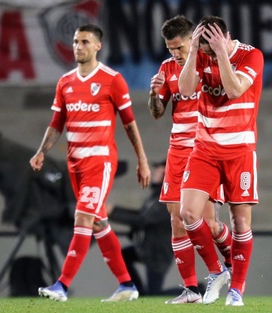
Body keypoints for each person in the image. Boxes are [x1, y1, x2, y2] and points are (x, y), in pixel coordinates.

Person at [29, 24, 151, 302]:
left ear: (98, 46)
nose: (78, 46)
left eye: (84, 41)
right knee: (97, 223)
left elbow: (130, 124)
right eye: (75, 41)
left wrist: (142, 160)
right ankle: (127, 285)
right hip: (75, 164)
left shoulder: (112, 80)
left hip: (100, 161)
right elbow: (56, 124)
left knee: (83, 217)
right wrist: (41, 151)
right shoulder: (65, 82)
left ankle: (61, 285)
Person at [178, 15, 263, 306]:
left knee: (240, 222)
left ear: (226, 37)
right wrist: (192, 53)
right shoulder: (200, 54)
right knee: (188, 214)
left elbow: (235, 89)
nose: (208, 56)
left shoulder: (251, 55)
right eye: (204, 50)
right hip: (205, 149)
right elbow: (186, 90)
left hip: (239, 151)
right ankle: (217, 271)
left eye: (212, 48)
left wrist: (222, 56)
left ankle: (236, 289)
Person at [148, 15, 233, 304]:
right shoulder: (166, 68)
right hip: (177, 150)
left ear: (191, 40)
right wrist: (153, 94)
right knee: (176, 221)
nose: (175, 53)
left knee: (208, 223)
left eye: (180, 47)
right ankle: (192, 290)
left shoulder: (207, 63)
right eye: (170, 48)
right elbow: (157, 112)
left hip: (205, 149)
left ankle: (233, 267)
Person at [109, 160, 172, 296]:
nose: (154, 173)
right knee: (123, 256)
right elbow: (141, 216)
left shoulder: (167, 199)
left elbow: (143, 219)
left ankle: (197, 290)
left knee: (154, 295)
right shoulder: (156, 196)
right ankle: (137, 291)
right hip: (147, 248)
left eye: (159, 170)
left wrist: (113, 212)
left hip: (158, 253)